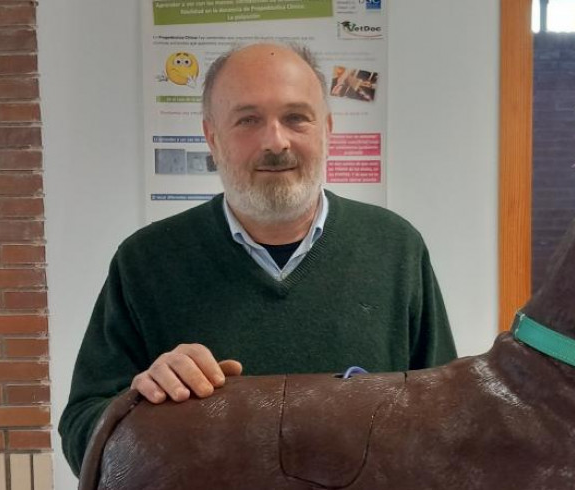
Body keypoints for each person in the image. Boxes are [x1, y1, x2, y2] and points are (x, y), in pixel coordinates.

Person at [58, 42, 457, 476]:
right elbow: (81, 436)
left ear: (326, 128)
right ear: (212, 136)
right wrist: (141, 404)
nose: (275, 141)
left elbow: (447, 420)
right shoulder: (144, 261)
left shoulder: (395, 247)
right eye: (248, 120)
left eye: (295, 118)